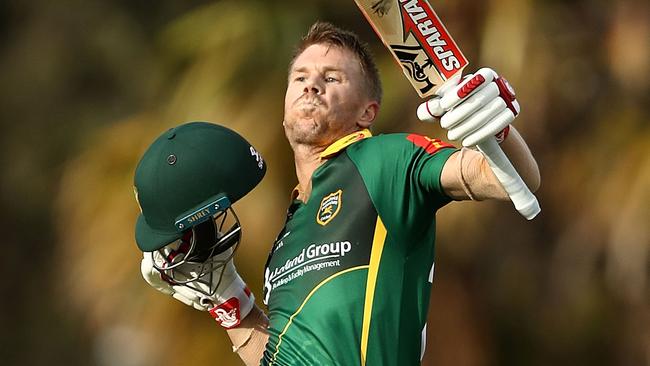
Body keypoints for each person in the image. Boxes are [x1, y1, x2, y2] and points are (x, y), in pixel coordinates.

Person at [135, 22, 540, 366]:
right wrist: (230, 302)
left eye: (332, 78)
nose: (312, 85)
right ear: (285, 105)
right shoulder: (286, 235)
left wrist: (495, 130)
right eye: (300, 77)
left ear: (367, 111)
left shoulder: (386, 160)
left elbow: (507, 177)